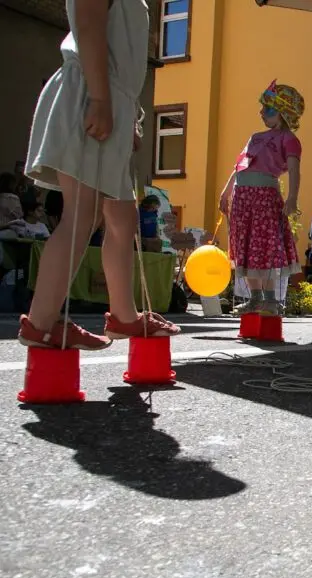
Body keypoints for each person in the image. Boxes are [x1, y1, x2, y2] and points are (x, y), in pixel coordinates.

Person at [19, 0, 180, 350]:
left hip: (107, 98)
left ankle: (124, 317)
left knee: (122, 217)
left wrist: (125, 115)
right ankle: (41, 323)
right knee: (84, 213)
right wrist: (101, 99)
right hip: (91, 93)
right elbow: (89, 25)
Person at [220, 80, 304, 317]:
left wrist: (293, 197)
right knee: (244, 245)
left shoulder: (289, 139)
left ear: (284, 113)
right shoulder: (255, 137)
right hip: (242, 197)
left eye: (268, 109)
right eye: (263, 108)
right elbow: (240, 166)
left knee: (264, 246)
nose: (262, 113)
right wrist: (226, 191)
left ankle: (270, 300)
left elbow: (295, 170)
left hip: (264, 197)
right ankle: (255, 298)